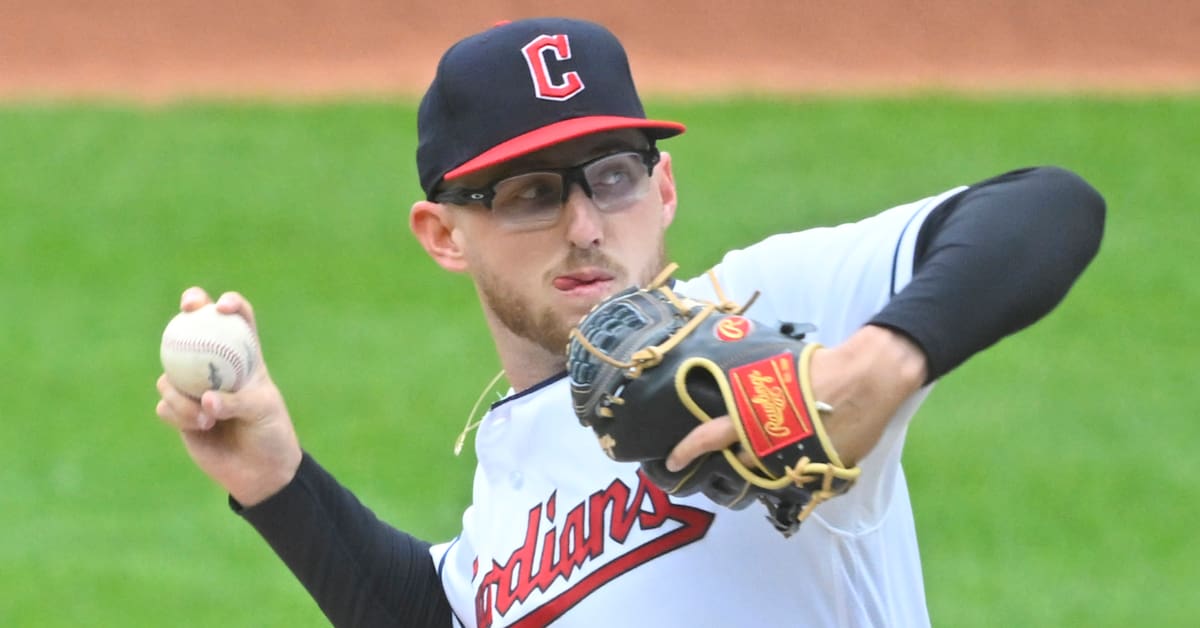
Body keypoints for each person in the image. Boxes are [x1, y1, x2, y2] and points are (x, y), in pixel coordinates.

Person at [154, 17, 1105, 628]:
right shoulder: (512, 477)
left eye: (613, 176)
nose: (585, 226)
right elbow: (440, 613)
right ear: (444, 235)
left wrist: (876, 366)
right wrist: (275, 481)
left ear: (664, 187)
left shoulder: (755, 312)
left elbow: (1047, 207)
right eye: (531, 193)